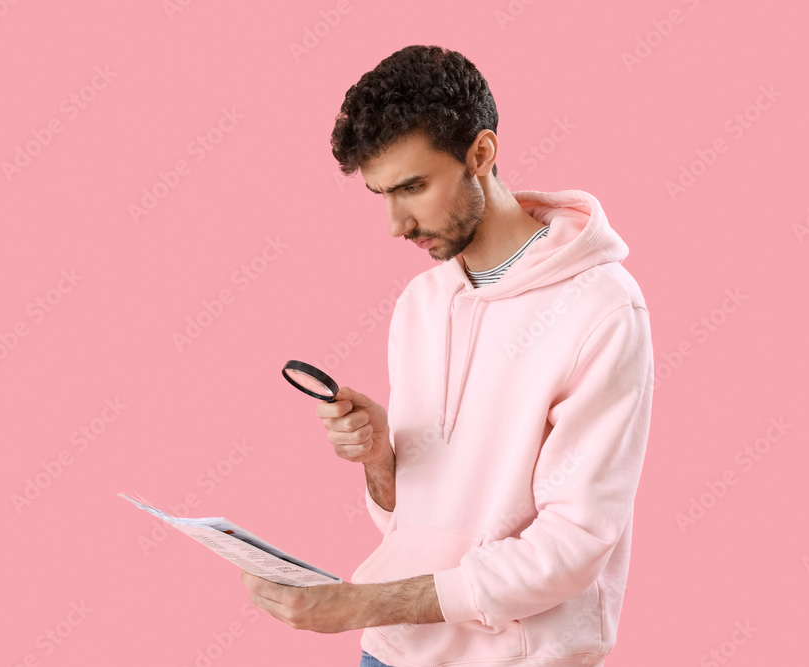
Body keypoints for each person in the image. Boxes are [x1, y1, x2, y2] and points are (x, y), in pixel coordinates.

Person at [241, 44, 654, 667]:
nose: (395, 225)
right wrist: (381, 463)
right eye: (381, 194)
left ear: (481, 154)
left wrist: (360, 604)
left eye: (412, 187)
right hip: (392, 654)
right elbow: (413, 528)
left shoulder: (601, 310)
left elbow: (574, 544)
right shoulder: (422, 303)